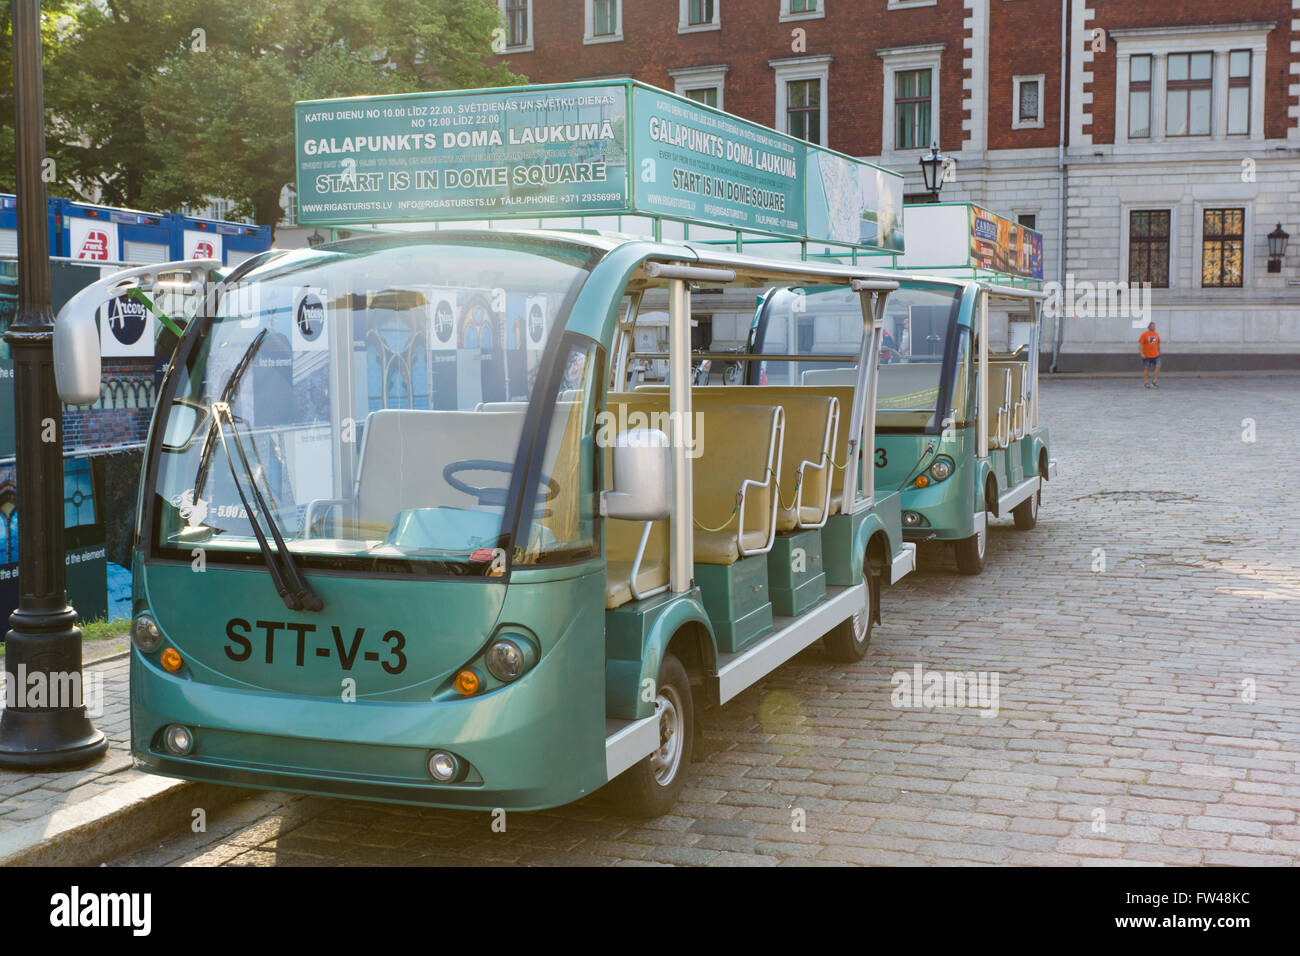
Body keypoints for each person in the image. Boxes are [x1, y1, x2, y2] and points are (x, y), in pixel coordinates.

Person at [1139, 322, 1161, 389]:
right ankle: (1146, 383)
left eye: (1154, 326)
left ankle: (1154, 382)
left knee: (1158, 366)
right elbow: (1141, 344)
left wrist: (1159, 351)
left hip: (1156, 355)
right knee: (1146, 368)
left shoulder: (1156, 334)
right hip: (1147, 355)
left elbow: (1158, 343)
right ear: (1149, 327)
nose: (1154, 327)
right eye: (1152, 326)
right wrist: (1141, 353)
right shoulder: (1144, 334)